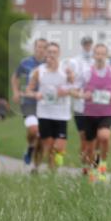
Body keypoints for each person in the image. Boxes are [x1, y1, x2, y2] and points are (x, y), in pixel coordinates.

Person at [79, 43, 111, 182]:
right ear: (94, 55)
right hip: (90, 113)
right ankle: (93, 170)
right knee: (90, 147)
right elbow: (76, 89)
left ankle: (103, 166)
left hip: (106, 112)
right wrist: (83, 95)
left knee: (104, 136)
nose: (100, 56)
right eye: (97, 54)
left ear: (106, 56)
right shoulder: (87, 72)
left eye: (102, 54)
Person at [25, 42, 75, 172]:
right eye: (49, 52)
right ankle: (50, 170)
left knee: (59, 146)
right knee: (48, 145)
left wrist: (67, 90)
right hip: (45, 113)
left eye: (54, 52)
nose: (51, 54)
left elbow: (75, 88)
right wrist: (36, 94)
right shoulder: (38, 71)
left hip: (61, 114)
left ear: (59, 54)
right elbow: (28, 90)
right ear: (45, 54)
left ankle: (52, 163)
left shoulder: (66, 70)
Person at [11, 38, 47, 164]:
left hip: (45, 105)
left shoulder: (49, 64)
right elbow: (15, 77)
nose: (41, 49)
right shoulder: (25, 63)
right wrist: (15, 92)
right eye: (39, 47)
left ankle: (36, 166)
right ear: (35, 48)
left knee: (42, 137)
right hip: (29, 103)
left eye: (44, 47)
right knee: (33, 130)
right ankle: (30, 147)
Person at [69, 36, 95, 175]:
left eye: (89, 44)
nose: (87, 46)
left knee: (94, 140)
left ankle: (92, 165)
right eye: (85, 44)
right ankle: (85, 166)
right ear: (82, 45)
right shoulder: (75, 61)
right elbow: (72, 81)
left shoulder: (96, 60)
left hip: (95, 106)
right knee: (84, 139)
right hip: (80, 106)